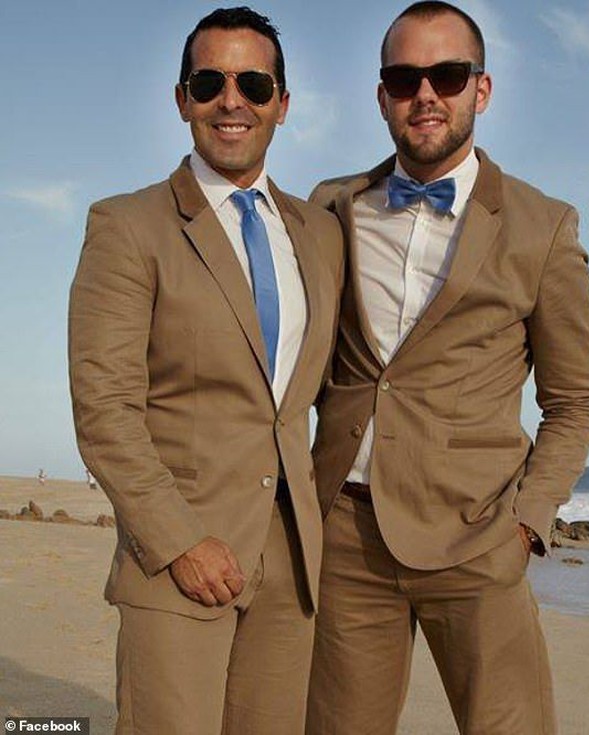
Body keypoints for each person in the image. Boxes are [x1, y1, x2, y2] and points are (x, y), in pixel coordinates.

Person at [305, 3, 589, 734]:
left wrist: (527, 523)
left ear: (482, 88)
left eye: (448, 74)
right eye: (406, 78)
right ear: (382, 96)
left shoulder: (543, 226)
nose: (426, 94)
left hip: (479, 537)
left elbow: (573, 401)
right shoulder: (330, 206)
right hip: (346, 534)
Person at [68, 7, 343, 734]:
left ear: (282, 103)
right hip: (177, 562)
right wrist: (179, 540)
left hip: (292, 569)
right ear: (182, 98)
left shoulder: (321, 233)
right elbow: (104, 410)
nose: (231, 100)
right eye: (208, 82)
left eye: (253, 84)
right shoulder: (128, 226)